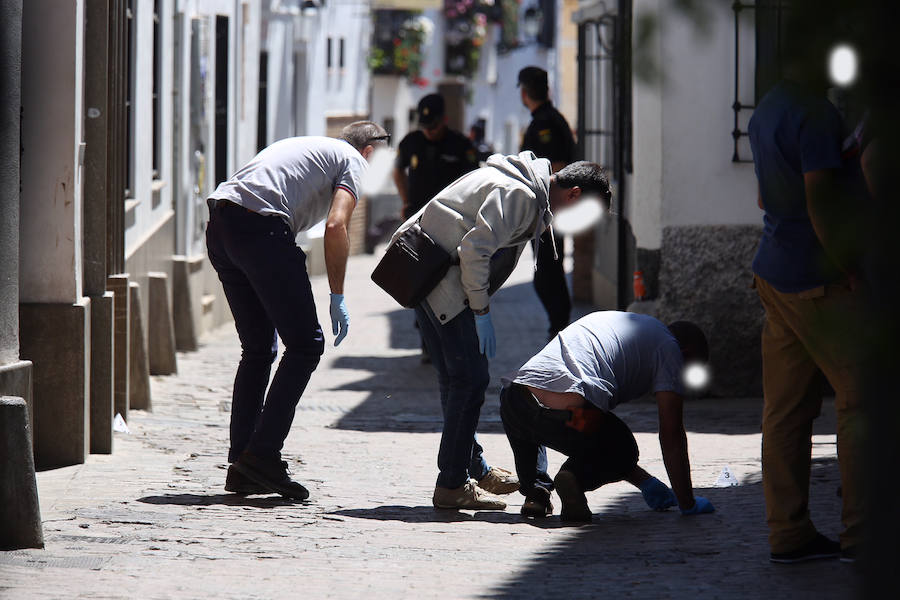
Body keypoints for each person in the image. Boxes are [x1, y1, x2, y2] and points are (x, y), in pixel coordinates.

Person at [391, 154, 611, 510]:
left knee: (456, 379)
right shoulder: (521, 196)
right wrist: (481, 310)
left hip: (430, 277)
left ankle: (472, 468)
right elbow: (474, 251)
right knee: (470, 381)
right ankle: (451, 484)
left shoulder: (527, 191)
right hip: (443, 285)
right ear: (573, 195)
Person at [205, 121, 390, 500]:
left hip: (222, 225)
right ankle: (262, 456)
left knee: (257, 350)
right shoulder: (354, 161)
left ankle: (242, 464)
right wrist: (337, 295)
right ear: (370, 152)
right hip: (262, 231)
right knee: (306, 346)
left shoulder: (311, 145)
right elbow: (338, 224)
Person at [748, 26, 866, 563]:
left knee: (785, 411)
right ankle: (864, 534)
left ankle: (788, 532)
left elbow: (762, 193)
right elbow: (822, 201)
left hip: (773, 270)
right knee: (862, 399)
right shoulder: (816, 114)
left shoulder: (765, 110)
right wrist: (850, 267)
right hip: (815, 278)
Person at [499, 311, 715, 522]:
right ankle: (574, 476)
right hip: (571, 416)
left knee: (535, 422)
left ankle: (537, 493)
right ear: (685, 354)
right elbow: (672, 435)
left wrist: (645, 481)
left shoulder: (630, 324)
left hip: (513, 400)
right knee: (622, 446)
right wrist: (687, 503)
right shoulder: (670, 349)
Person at [393, 94, 479, 362]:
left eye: (433, 126)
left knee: (449, 282)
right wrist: (405, 200)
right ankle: (427, 341)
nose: (428, 132)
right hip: (418, 224)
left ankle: (450, 340)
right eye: (425, 126)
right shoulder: (411, 142)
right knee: (420, 282)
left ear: (445, 120)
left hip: (453, 225)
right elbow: (398, 171)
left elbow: (474, 182)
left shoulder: (461, 145)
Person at [518, 66, 578, 340]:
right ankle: (559, 325)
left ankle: (560, 326)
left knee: (546, 275)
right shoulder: (548, 119)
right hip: (549, 207)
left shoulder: (545, 122)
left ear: (524, 92)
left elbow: (558, 164)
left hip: (551, 207)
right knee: (548, 272)